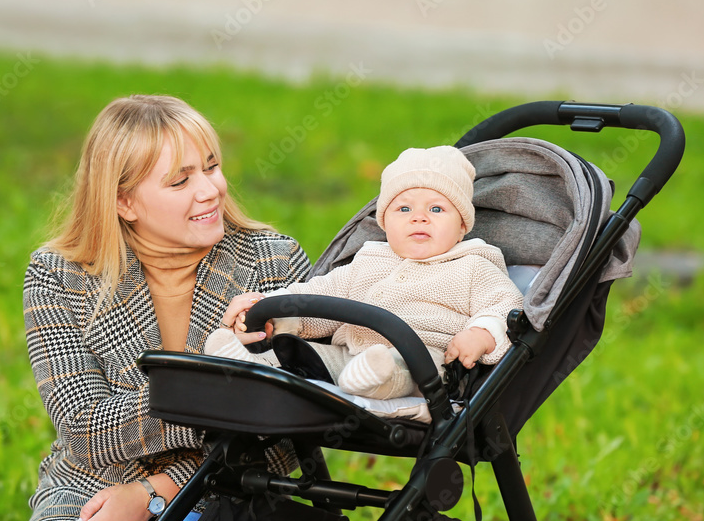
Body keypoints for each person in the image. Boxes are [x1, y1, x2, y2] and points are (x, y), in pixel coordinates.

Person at [10, 94, 310, 521]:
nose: (210, 190)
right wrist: (223, 389)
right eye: (180, 180)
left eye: (212, 167)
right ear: (124, 201)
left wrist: (155, 492)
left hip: (233, 493)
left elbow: (295, 428)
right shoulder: (59, 277)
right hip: (95, 493)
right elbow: (87, 430)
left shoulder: (271, 260)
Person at [205, 145, 524, 400]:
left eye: (436, 209)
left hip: (422, 365)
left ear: (462, 227)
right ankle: (252, 365)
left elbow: (504, 305)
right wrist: (272, 309)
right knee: (305, 354)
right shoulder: (367, 262)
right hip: (348, 357)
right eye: (404, 209)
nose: (419, 218)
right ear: (385, 224)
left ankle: (374, 376)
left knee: (395, 366)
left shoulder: (473, 265)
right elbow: (321, 295)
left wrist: (480, 335)